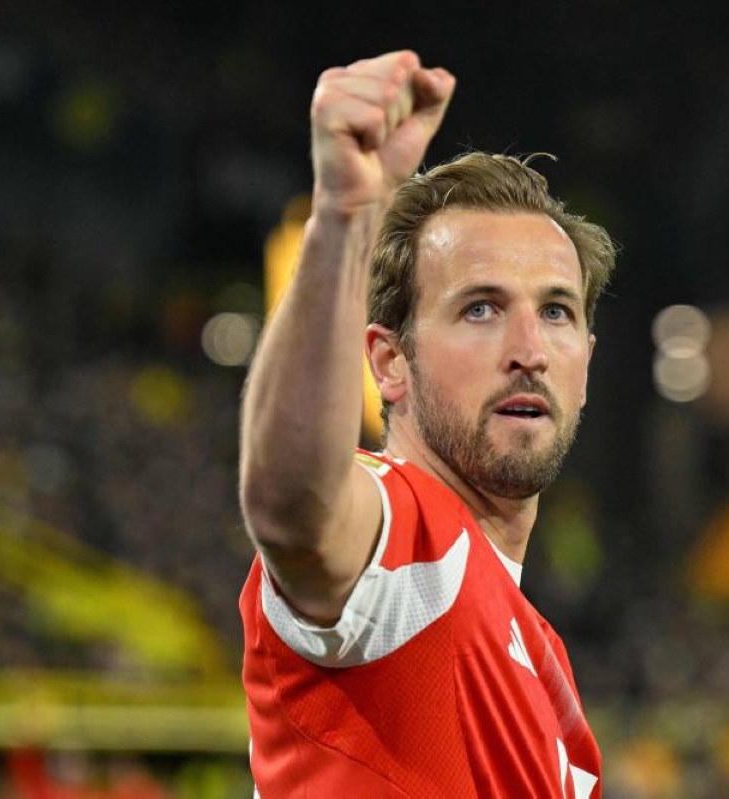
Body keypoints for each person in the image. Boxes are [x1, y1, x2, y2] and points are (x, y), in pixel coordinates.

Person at [237, 50, 615, 798]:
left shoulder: (541, 653)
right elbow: (292, 504)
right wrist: (344, 219)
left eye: (556, 311)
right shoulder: (403, 538)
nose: (530, 351)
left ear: (587, 363)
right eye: (480, 308)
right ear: (387, 364)